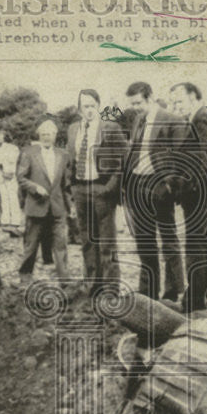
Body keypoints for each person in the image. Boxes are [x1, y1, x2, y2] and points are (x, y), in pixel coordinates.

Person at [123, 81, 185, 303]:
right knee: (144, 242)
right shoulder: (139, 119)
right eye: (132, 104)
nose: (135, 107)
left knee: (168, 239)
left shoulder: (172, 120)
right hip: (138, 184)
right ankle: (148, 293)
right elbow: (134, 150)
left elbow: (180, 157)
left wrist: (168, 185)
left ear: (150, 97)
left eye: (138, 102)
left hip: (159, 187)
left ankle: (173, 292)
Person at [168, 81, 207, 313]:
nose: (176, 105)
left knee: (196, 246)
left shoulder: (202, 118)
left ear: (193, 96)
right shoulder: (197, 118)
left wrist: (181, 186)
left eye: (179, 100)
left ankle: (195, 302)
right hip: (202, 192)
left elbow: (205, 160)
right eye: (173, 102)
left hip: (199, 193)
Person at [68, 88, 128, 296]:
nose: (89, 110)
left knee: (106, 241)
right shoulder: (73, 129)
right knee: (87, 240)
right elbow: (71, 159)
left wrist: (110, 186)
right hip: (80, 189)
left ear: (99, 106)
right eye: (85, 106)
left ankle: (111, 289)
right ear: (79, 109)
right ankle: (92, 285)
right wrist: (72, 187)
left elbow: (124, 160)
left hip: (101, 189)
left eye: (93, 105)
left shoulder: (110, 128)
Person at [16, 117, 73, 283]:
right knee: (31, 245)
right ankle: (25, 276)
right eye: (43, 134)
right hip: (36, 206)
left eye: (50, 134)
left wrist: (70, 207)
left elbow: (66, 184)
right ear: (39, 135)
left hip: (57, 207)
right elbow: (20, 178)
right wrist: (35, 188)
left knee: (61, 245)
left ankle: (64, 279)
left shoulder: (63, 155)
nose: (47, 137)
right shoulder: (28, 153)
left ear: (55, 135)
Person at [0, 129, 22, 228]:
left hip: (11, 174)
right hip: (1, 174)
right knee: (4, 197)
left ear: (5, 136)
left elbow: (14, 160)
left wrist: (4, 165)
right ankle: (5, 219)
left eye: (0, 136)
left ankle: (15, 220)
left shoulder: (14, 148)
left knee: (12, 197)